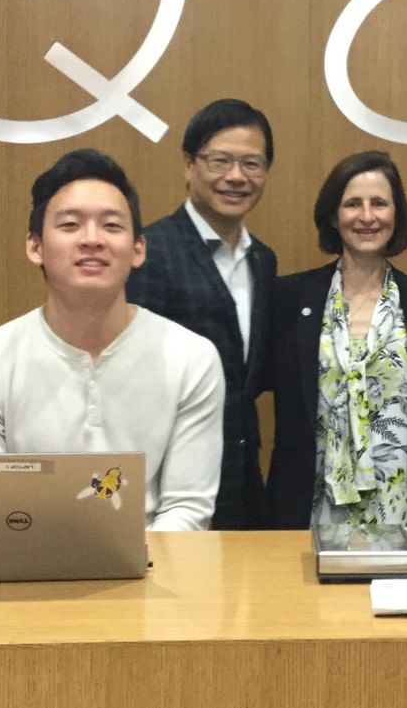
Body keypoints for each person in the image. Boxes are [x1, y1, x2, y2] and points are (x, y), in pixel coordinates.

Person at [0, 149, 225, 531]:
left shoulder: (191, 357)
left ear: (138, 249)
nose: (92, 240)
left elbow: (187, 510)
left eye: (111, 226)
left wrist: (128, 571)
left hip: (154, 574)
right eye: (71, 225)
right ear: (35, 246)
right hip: (23, 571)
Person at [267, 151, 407, 527]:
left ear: (396, 215)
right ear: (332, 216)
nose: (367, 216)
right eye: (352, 203)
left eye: (379, 204)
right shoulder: (290, 299)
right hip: (308, 520)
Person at [126, 99, 277, 529]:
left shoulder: (263, 260)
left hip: (243, 482)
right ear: (189, 165)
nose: (236, 177)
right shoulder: (147, 252)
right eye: (220, 161)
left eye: (252, 163)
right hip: (168, 486)